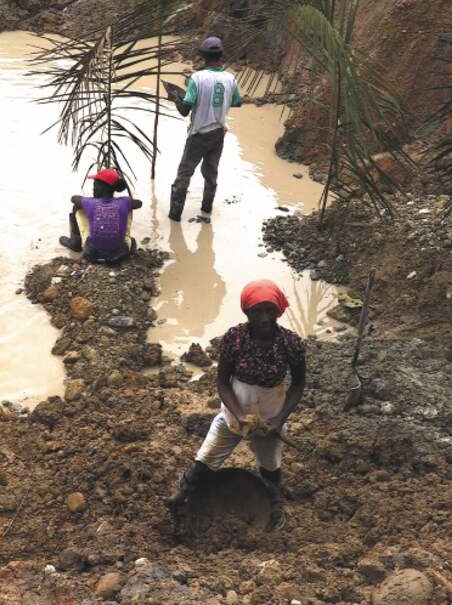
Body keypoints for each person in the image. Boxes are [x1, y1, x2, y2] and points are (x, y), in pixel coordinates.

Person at [166, 280, 307, 530]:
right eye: (257, 312)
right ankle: (181, 497)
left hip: (270, 416)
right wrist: (239, 415)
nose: (264, 318)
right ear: (247, 312)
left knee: (270, 464)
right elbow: (222, 383)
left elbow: (297, 385)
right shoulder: (235, 338)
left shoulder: (291, 343)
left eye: (269, 311)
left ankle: (274, 507)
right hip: (234, 412)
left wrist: (280, 419)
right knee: (206, 457)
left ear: (278, 311)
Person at [168, 36, 243, 222]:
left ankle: (175, 216)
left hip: (198, 135)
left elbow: (185, 110)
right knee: (211, 173)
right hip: (218, 134)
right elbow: (237, 102)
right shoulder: (230, 79)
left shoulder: (197, 78)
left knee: (184, 174)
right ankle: (206, 208)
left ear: (202, 56)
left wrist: (176, 97)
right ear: (221, 56)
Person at [59, 168, 143, 264]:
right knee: (128, 208)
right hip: (120, 255)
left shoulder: (90, 203)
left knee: (77, 207)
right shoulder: (124, 201)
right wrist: (121, 204)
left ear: (102, 188)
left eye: (95, 185)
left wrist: (90, 201)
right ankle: (123, 246)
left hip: (92, 254)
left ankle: (75, 243)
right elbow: (139, 203)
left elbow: (73, 198)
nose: (93, 188)